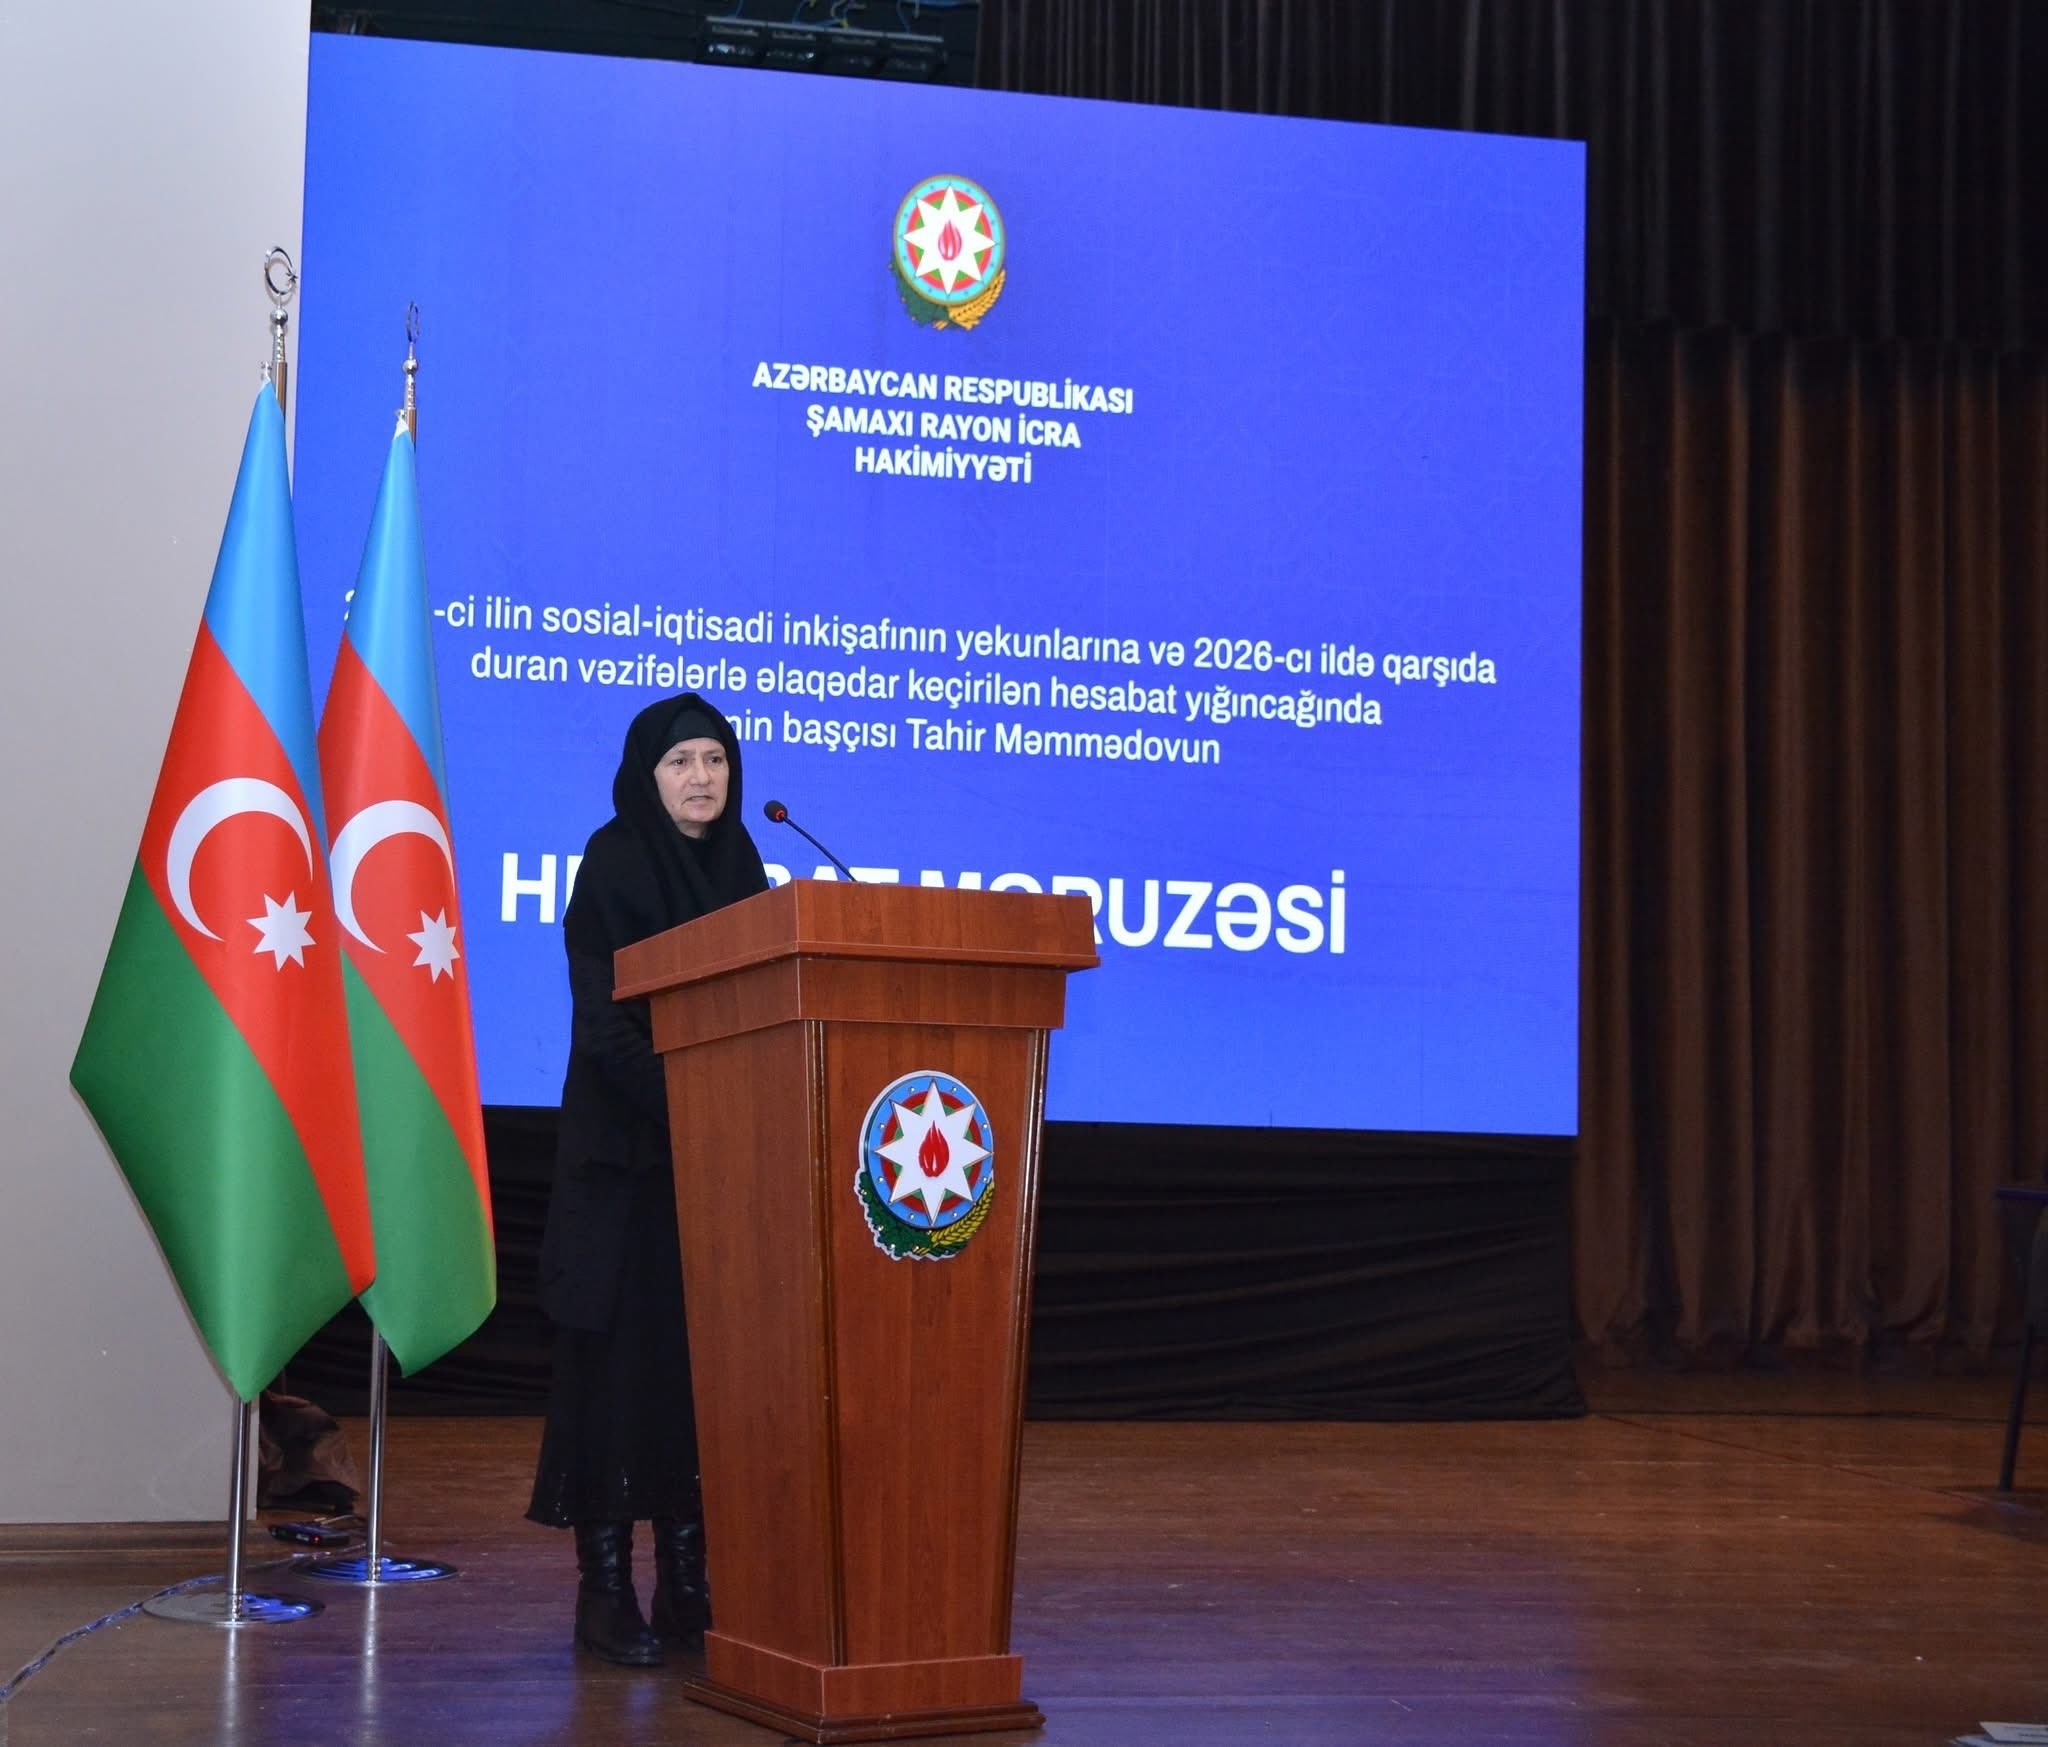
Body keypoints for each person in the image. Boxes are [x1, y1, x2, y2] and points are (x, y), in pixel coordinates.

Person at [526, 692, 769, 1665]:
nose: (701, 778)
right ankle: (603, 1594)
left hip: (711, 1177)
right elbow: (605, 1027)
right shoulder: (614, 861)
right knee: (615, 1381)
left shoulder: (744, 867)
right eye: (681, 762)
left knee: (695, 1377)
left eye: (714, 759)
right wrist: (699, 1101)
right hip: (622, 1169)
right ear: (646, 774)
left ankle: (686, 1585)